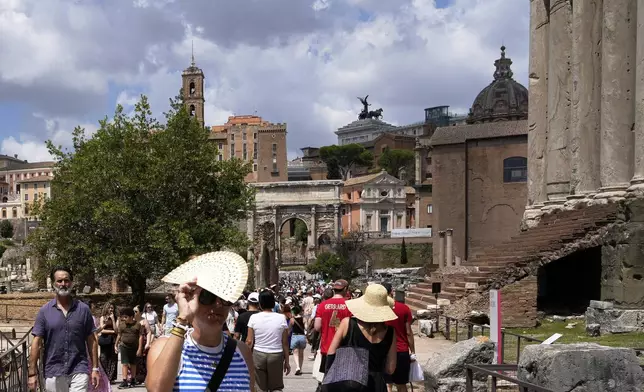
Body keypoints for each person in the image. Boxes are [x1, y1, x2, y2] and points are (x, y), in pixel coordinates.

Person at [146, 251, 254, 391]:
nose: (218, 304)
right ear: (189, 297)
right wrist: (183, 318)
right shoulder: (163, 347)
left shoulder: (242, 351)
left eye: (224, 297)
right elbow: (156, 390)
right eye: (207, 296)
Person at [28, 267, 100, 392]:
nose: (63, 284)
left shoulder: (83, 310)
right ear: (53, 284)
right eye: (59, 281)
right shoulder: (44, 312)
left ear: (71, 283)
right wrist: (32, 373)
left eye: (66, 281)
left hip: (79, 368)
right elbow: (36, 342)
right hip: (54, 370)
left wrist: (95, 368)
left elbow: (91, 340)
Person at [325, 284, 397, 392]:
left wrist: (328, 375)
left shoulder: (348, 323)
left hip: (350, 382)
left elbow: (331, 352)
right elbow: (390, 369)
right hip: (377, 385)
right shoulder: (390, 331)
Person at [247, 290, 291, 392]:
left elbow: (249, 341)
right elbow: (285, 342)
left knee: (260, 387)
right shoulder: (281, 318)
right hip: (276, 354)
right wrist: (287, 362)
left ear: (260, 303)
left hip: (258, 354)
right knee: (276, 387)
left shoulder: (253, 318)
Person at [314, 279, 352, 378]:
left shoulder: (322, 305)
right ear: (346, 289)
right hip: (344, 348)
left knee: (328, 378)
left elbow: (317, 327)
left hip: (327, 347)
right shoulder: (350, 305)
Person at [382, 282, 416, 392]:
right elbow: (408, 332)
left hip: (384, 350)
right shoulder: (404, 308)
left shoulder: (378, 309)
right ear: (391, 292)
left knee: (387, 384)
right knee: (401, 384)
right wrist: (413, 351)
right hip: (401, 350)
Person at [114, 307, 143, 388]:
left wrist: (140, 348)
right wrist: (115, 345)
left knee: (133, 363)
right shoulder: (122, 325)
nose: (123, 318)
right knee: (124, 363)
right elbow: (119, 335)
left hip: (134, 347)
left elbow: (140, 336)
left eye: (125, 317)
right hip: (124, 346)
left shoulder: (138, 325)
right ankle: (124, 380)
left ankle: (133, 379)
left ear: (131, 317)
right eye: (123, 317)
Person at [133, 305, 153, 385]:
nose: (134, 313)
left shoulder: (144, 321)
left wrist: (148, 343)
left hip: (143, 342)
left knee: (143, 361)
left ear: (140, 312)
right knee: (135, 360)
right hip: (134, 342)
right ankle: (135, 377)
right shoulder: (132, 320)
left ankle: (144, 378)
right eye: (133, 311)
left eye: (136, 311)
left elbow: (149, 332)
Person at [98, 302, 118, 383]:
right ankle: (104, 377)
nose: (111, 309)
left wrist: (113, 319)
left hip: (113, 340)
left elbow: (117, 330)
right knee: (104, 358)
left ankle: (111, 378)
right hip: (104, 340)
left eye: (112, 308)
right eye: (109, 308)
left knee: (113, 359)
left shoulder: (116, 318)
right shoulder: (103, 317)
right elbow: (102, 330)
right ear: (106, 308)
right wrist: (112, 331)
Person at [289, 307, 307, 375]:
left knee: (295, 353)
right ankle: (301, 368)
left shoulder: (292, 320)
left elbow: (289, 329)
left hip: (295, 336)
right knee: (301, 354)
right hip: (302, 336)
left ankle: (297, 367)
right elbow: (306, 328)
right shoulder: (304, 319)